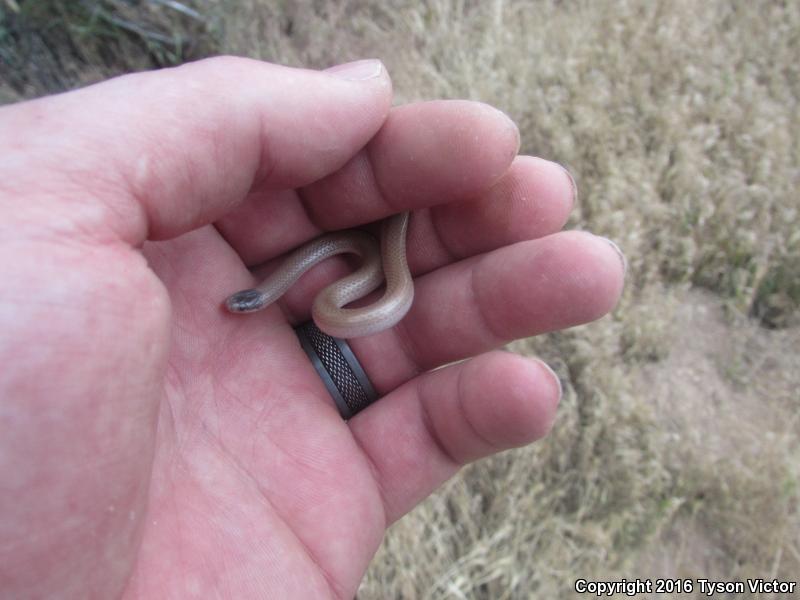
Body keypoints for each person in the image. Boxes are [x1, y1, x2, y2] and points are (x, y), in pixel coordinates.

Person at [0, 57, 625, 598]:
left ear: (255, 300)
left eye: (248, 303)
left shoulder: (335, 288)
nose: (242, 305)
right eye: (250, 303)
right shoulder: (317, 293)